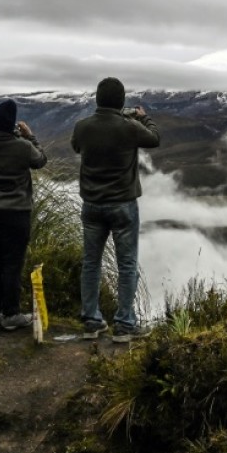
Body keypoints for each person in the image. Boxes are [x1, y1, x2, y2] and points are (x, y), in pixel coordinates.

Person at [71, 77, 160, 343]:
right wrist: (144, 118)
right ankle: (124, 324)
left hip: (91, 205)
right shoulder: (129, 127)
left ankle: (91, 320)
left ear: (97, 99)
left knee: (91, 263)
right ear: (121, 102)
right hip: (123, 204)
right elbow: (154, 139)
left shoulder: (82, 126)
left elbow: (77, 146)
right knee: (127, 265)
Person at [0, 99, 48, 331]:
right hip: (15, 212)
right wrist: (29, 136)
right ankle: (11, 314)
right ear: (11, 125)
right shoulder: (22, 147)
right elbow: (40, 160)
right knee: (12, 264)